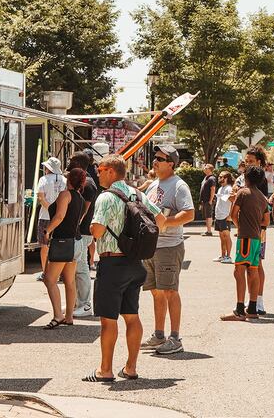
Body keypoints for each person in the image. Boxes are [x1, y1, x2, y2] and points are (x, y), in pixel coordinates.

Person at [85, 155, 165, 382]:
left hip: (111, 264)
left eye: (100, 169)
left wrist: (93, 226)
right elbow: (160, 220)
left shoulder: (106, 197)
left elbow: (98, 231)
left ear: (111, 171)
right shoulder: (137, 194)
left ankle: (105, 370)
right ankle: (131, 368)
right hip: (134, 263)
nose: (98, 173)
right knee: (132, 316)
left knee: (108, 320)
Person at [141, 145, 195, 355]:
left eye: (160, 158)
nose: (155, 161)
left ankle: (175, 337)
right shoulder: (153, 185)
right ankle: (159, 335)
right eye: (155, 157)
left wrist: (166, 223)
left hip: (169, 246)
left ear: (171, 163)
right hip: (151, 246)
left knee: (170, 291)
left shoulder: (179, 185)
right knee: (156, 292)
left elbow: (189, 214)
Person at [220, 166, 270, 322]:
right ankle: (253, 309)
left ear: (246, 177)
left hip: (245, 238)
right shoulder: (262, 197)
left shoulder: (243, 192)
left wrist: (240, 226)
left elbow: (233, 214)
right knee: (253, 272)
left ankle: (240, 310)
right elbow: (266, 221)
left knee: (239, 271)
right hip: (256, 238)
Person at [41, 168, 86, 329]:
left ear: (69, 180)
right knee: (69, 280)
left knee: (49, 279)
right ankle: (68, 316)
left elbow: (59, 216)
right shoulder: (80, 197)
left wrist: (48, 231)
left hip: (63, 241)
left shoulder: (65, 195)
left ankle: (58, 315)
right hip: (76, 241)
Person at [231, 146, 271, 314]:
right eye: (246, 161)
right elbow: (266, 216)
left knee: (247, 268)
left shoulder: (258, 181)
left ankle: (253, 303)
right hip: (255, 229)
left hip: (251, 232)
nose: (247, 164)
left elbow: (234, 212)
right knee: (253, 266)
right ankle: (253, 304)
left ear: (259, 162)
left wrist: (240, 225)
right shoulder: (247, 181)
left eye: (251, 161)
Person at [67, 153, 100, 318]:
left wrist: (74, 224)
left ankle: (85, 304)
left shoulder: (88, 183)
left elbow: (84, 209)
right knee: (78, 267)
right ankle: (79, 302)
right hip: (81, 230)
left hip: (83, 230)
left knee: (81, 268)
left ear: (79, 163)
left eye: (72, 161)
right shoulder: (86, 181)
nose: (69, 163)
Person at [36, 157, 67, 276]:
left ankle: (45, 271)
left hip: (45, 216)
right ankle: (59, 273)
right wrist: (57, 211)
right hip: (61, 216)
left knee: (44, 245)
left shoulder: (43, 179)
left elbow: (40, 198)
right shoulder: (65, 180)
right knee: (59, 244)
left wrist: (50, 209)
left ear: (48, 168)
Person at [213, 171, 234, 264]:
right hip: (218, 216)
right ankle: (223, 255)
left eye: (222, 177)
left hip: (225, 216)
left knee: (227, 236)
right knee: (221, 237)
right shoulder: (221, 188)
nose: (219, 178)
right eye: (219, 177)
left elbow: (233, 201)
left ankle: (228, 256)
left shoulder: (229, 188)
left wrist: (230, 215)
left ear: (226, 178)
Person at [200, 164, 217, 236]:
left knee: (209, 215)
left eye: (206, 168)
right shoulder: (206, 178)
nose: (204, 169)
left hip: (208, 200)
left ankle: (209, 231)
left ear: (210, 169)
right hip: (205, 200)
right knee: (207, 215)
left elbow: (213, 189)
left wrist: (211, 200)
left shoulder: (211, 178)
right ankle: (208, 230)